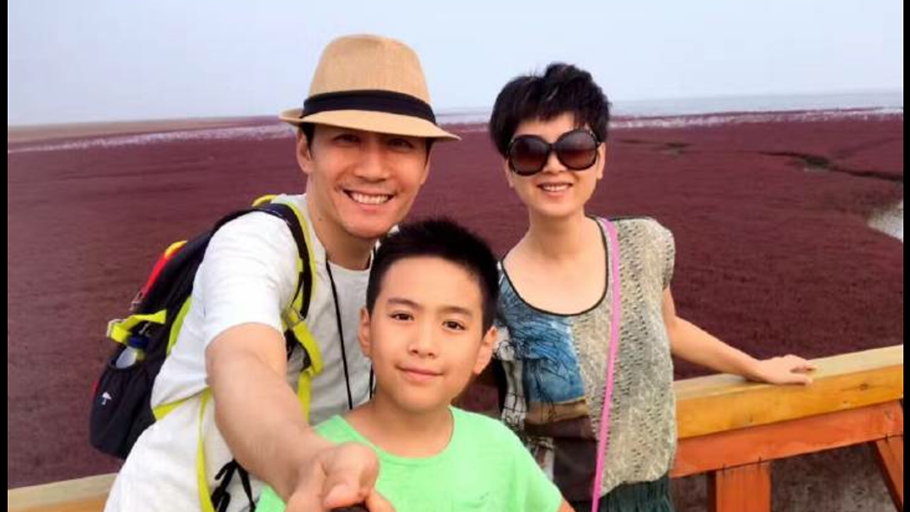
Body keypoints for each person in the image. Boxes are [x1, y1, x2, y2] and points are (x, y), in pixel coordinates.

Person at [104, 34, 458, 512]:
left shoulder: (400, 259)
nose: (374, 169)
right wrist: (308, 465)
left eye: (399, 144)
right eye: (347, 139)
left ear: (426, 164)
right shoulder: (253, 245)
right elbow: (244, 362)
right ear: (305, 151)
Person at [485, 63, 815, 512]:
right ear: (509, 169)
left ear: (600, 160)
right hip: (544, 503)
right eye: (530, 152)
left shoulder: (643, 245)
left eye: (575, 148)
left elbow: (670, 327)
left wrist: (756, 367)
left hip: (649, 495)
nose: (554, 166)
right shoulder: (490, 293)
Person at [257, 219, 576, 512]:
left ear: (483, 348)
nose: (423, 345)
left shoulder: (498, 446)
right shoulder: (315, 466)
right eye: (402, 316)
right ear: (367, 329)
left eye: (453, 324)